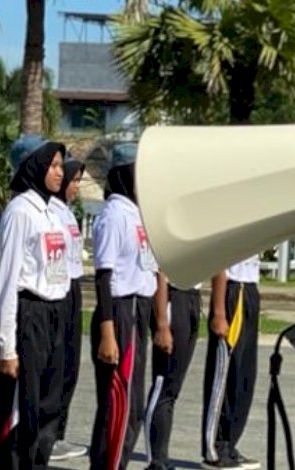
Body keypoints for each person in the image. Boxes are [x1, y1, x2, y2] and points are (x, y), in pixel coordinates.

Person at [0, 135, 69, 469]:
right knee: (23, 407)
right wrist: (7, 346)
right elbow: (8, 280)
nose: (60, 172)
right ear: (33, 166)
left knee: (48, 405)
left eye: (60, 166)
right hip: (30, 313)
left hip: (55, 313)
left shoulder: (54, 212)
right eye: (52, 165)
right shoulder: (20, 211)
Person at [90, 142, 158, 470]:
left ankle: (118, 462)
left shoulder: (136, 213)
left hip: (138, 308)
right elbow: (103, 276)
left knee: (134, 404)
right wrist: (108, 332)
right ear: (123, 174)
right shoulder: (114, 214)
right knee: (118, 404)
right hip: (119, 311)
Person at [47, 158, 89, 461]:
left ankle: (58, 431)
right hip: (59, 288)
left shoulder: (68, 213)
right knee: (56, 365)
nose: (75, 186)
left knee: (70, 366)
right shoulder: (50, 210)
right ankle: (48, 434)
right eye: (73, 180)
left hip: (74, 287)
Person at [201, 257, 260, 470]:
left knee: (245, 374)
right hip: (233, 292)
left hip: (250, 289)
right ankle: (215, 448)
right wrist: (218, 311)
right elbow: (219, 263)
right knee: (226, 373)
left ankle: (231, 442)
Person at [146, 272, 200, 470]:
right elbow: (160, 272)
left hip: (192, 295)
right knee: (163, 386)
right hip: (171, 298)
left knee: (173, 388)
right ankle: (156, 459)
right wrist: (161, 323)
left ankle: (162, 457)